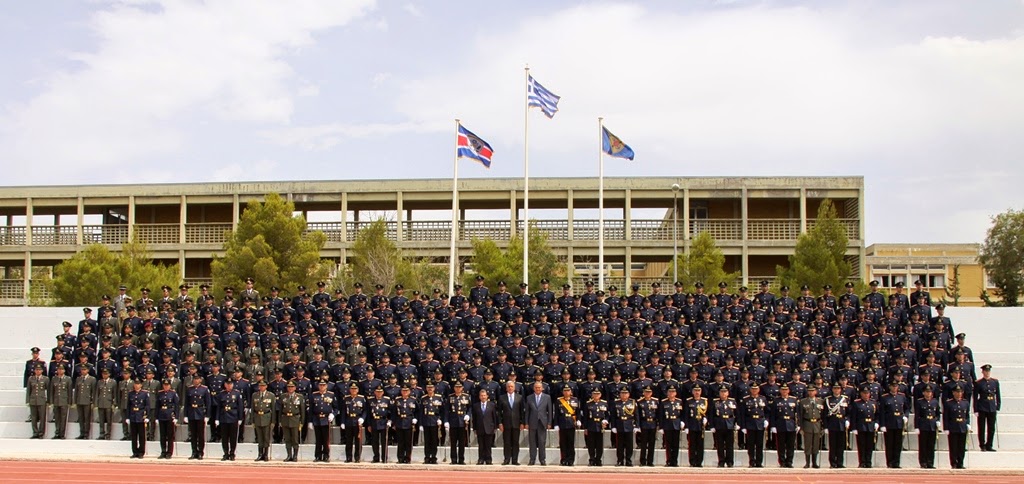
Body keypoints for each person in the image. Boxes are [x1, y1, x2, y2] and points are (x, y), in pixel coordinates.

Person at [880, 381, 910, 468]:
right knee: (889, 444)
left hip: (899, 423)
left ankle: (896, 462)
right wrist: (882, 424)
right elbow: (882, 412)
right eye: (893, 386)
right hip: (889, 423)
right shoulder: (885, 397)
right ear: (890, 387)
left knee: (898, 444)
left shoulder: (902, 396)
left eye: (896, 386)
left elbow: (907, 408)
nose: (894, 388)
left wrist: (906, 416)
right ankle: (889, 462)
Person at [739, 384, 768, 468]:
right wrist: (743, 426)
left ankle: (759, 462)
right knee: (750, 444)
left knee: (759, 444)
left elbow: (767, 411)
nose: (754, 390)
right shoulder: (745, 399)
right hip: (750, 423)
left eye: (756, 389)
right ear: (750, 390)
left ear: (758, 389)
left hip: (760, 423)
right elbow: (742, 414)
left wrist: (766, 420)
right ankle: (752, 461)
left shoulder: (763, 399)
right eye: (753, 389)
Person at [525, 381, 553, 466]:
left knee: (542, 442)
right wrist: (526, 422)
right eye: (536, 387)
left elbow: (550, 411)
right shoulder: (529, 398)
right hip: (532, 422)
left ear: (542, 388)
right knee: (532, 442)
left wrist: (549, 422)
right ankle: (532, 459)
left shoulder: (547, 397)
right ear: (534, 388)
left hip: (542, 422)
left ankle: (542, 459)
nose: (538, 389)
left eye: (539, 387)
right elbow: (527, 412)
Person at [308, 380, 337, 462]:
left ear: (326, 386)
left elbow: (336, 408)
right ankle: (318, 456)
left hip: (326, 419)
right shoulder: (314, 395)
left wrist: (333, 414)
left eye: (323, 385)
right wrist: (310, 421)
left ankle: (326, 455)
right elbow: (311, 409)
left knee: (326, 439)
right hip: (316, 419)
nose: (322, 387)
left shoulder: (331, 395)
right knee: (318, 439)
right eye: (320, 385)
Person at [851, 387, 880, 468]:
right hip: (861, 426)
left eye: (867, 393)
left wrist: (877, 423)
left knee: (870, 445)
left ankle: (868, 462)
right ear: (861, 394)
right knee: (861, 445)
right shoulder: (857, 403)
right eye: (864, 393)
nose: (866, 395)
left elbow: (877, 414)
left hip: (870, 425)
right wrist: (854, 427)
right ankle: (862, 462)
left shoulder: (873, 403)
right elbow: (854, 416)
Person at [184, 374, 211, 460]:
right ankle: (194, 451)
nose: (196, 380)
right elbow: (186, 403)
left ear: (200, 380)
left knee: (200, 434)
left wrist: (207, 415)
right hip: (192, 412)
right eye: (194, 379)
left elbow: (208, 403)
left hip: (200, 412)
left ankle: (200, 452)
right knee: (193, 434)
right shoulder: (189, 389)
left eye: (197, 379)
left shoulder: (204, 389)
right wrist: (185, 415)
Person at [974, 364, 1000, 452]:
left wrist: (998, 406)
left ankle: (989, 444)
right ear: (982, 372)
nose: (987, 373)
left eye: (988, 371)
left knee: (991, 428)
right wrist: (976, 409)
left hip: (992, 406)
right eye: (985, 371)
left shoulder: (995, 382)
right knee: (981, 427)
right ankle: (982, 445)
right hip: (982, 406)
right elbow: (975, 397)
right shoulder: (978, 383)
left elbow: (998, 395)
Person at [824, 383, 851, 468]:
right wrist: (825, 426)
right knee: (832, 445)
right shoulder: (828, 400)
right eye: (835, 388)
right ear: (832, 389)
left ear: (840, 389)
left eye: (838, 388)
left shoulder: (845, 399)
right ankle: (832, 463)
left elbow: (848, 412)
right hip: (832, 424)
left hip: (842, 424)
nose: (836, 390)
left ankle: (840, 462)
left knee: (841, 445)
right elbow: (824, 414)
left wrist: (847, 420)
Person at [771, 384, 798, 468]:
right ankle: (782, 461)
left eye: (786, 390)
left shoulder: (793, 400)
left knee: (790, 445)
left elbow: (797, 413)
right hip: (780, 424)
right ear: (780, 391)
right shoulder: (776, 401)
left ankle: (789, 461)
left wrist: (798, 424)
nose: (784, 391)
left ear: (788, 391)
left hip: (791, 423)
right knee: (781, 445)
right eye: (783, 390)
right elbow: (773, 415)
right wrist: (773, 426)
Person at [797, 385, 824, 468]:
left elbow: (823, 415)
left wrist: (823, 427)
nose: (811, 392)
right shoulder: (803, 402)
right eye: (809, 391)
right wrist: (801, 427)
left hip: (817, 424)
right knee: (808, 444)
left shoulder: (820, 401)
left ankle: (814, 462)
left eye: (813, 391)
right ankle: (807, 463)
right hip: (807, 424)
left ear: (816, 392)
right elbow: (800, 415)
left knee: (816, 444)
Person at [709, 386, 737, 468]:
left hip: (729, 424)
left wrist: (737, 423)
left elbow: (737, 413)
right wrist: (711, 425)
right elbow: (711, 414)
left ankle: (730, 462)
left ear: (728, 393)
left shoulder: (732, 401)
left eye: (725, 392)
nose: (723, 393)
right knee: (720, 445)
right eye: (722, 392)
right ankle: (721, 461)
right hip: (719, 424)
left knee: (730, 445)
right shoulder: (715, 402)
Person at [217, 379, 244, 461]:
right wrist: (217, 418)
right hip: (224, 417)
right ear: (225, 384)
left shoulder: (237, 393)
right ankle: (225, 453)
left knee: (233, 437)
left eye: (230, 384)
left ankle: (232, 453)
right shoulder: (221, 394)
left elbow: (240, 407)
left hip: (233, 417)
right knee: (224, 437)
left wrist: (240, 418)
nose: (229, 385)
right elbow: (218, 407)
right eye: (227, 384)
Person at [497, 380, 524, 465]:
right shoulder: (502, 398)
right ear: (506, 388)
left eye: (512, 386)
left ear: (514, 388)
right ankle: (507, 459)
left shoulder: (519, 397)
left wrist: (522, 422)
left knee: (515, 442)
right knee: (507, 442)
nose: (510, 388)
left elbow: (522, 411)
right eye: (508, 386)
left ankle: (515, 460)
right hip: (506, 423)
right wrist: (500, 423)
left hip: (516, 423)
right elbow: (499, 412)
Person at [278, 381, 305, 462]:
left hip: (295, 419)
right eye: (289, 387)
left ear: (295, 388)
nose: (290, 388)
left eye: (292, 387)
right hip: (285, 418)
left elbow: (302, 410)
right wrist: (280, 421)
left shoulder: (299, 397)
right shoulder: (283, 396)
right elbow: (280, 409)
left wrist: (302, 422)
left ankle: (295, 455)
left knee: (295, 439)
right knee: (287, 438)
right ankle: (289, 455)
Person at [914, 386, 941, 469]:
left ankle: (930, 462)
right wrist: (917, 426)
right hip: (923, 425)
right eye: (926, 392)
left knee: (931, 445)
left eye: (929, 392)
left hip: (932, 425)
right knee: (923, 445)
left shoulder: (935, 402)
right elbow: (917, 415)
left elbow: (937, 413)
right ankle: (923, 462)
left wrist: (938, 420)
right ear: (923, 393)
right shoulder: (919, 402)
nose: (928, 393)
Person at [553, 385, 580, 466]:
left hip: (571, 424)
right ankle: (564, 459)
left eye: (568, 390)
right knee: (563, 443)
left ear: (571, 392)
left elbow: (577, 412)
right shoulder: (559, 401)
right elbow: (556, 414)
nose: (566, 392)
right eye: (565, 391)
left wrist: (578, 420)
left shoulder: (575, 400)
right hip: (562, 424)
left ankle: (571, 460)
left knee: (571, 443)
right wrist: (556, 424)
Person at [945, 386, 971, 469]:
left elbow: (967, 415)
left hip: (962, 426)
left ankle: (960, 462)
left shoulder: (965, 403)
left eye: (960, 392)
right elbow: (946, 417)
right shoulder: (949, 403)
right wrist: (946, 428)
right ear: (953, 393)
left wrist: (967, 423)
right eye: (957, 392)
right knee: (953, 446)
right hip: (953, 426)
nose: (959, 394)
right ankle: (954, 463)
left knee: (961, 447)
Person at [611, 387, 638, 466]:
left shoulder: (632, 402)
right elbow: (613, 416)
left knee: (629, 445)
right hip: (619, 425)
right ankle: (620, 460)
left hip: (629, 424)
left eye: (625, 393)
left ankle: (628, 460)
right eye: (622, 393)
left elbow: (636, 415)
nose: (624, 395)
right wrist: (613, 426)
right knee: (620, 445)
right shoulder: (616, 403)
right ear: (620, 394)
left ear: (629, 394)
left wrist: (637, 425)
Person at [251, 378, 277, 462]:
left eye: (263, 386)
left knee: (266, 437)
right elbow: (252, 408)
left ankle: (265, 454)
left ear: (266, 386)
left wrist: (273, 421)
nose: (261, 387)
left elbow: (273, 408)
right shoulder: (255, 395)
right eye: (260, 386)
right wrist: (252, 420)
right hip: (257, 417)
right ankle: (260, 454)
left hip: (267, 417)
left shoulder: (271, 395)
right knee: (259, 437)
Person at [446, 381, 471, 465]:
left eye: (459, 387)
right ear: (454, 388)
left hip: (462, 422)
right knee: (453, 442)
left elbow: (469, 408)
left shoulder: (466, 397)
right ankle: (453, 459)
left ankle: (461, 459)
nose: (458, 389)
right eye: (456, 387)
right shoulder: (450, 397)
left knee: (462, 442)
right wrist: (446, 421)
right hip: (453, 421)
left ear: (462, 388)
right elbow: (447, 410)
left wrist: (468, 415)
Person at [582, 388, 609, 466]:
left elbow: (607, 415)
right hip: (591, 425)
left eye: (597, 394)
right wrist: (585, 428)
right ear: (592, 395)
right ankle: (592, 459)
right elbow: (586, 417)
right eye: (594, 394)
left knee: (599, 445)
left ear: (600, 395)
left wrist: (606, 421)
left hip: (600, 426)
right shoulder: (588, 404)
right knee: (591, 444)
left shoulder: (604, 403)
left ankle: (598, 459)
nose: (596, 395)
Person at [419, 382, 444, 464]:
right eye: (428, 388)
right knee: (427, 441)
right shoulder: (423, 398)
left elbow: (442, 411)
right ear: (426, 389)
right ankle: (427, 457)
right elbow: (421, 412)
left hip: (434, 421)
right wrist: (421, 424)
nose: (430, 389)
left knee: (434, 440)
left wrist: (440, 419)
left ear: (434, 388)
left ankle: (433, 457)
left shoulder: (438, 398)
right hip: (426, 421)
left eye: (431, 388)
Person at [472, 388, 499, 465]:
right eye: (481, 395)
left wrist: (495, 427)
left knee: (488, 445)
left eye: (484, 395)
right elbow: (474, 418)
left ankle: (488, 459)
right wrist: (474, 428)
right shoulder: (476, 406)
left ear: (487, 396)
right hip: (480, 427)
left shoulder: (492, 405)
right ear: (479, 397)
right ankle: (481, 459)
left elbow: (494, 417)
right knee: (481, 445)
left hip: (489, 427)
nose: (483, 397)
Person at [341, 383, 367, 463]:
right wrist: (342, 422)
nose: (353, 390)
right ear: (350, 390)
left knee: (358, 441)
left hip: (357, 421)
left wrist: (362, 418)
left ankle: (357, 457)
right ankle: (348, 457)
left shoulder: (361, 399)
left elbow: (365, 410)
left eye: (355, 389)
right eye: (352, 389)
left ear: (358, 390)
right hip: (349, 421)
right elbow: (343, 411)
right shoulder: (346, 399)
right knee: (348, 441)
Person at [684, 386, 708, 467]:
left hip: (700, 426)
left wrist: (706, 419)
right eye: (695, 391)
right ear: (693, 392)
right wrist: (686, 426)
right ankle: (692, 461)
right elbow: (686, 415)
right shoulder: (689, 401)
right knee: (692, 445)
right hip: (692, 425)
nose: (697, 392)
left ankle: (699, 462)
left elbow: (708, 413)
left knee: (700, 445)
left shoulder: (704, 401)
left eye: (698, 390)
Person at [660, 386, 684, 467]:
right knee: (668, 444)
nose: (671, 393)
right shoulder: (664, 402)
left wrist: (682, 422)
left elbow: (682, 413)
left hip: (676, 424)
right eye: (670, 392)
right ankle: (669, 461)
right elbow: (661, 415)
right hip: (667, 424)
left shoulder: (679, 401)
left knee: (676, 444)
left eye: (673, 392)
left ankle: (675, 461)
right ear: (667, 393)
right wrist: (661, 426)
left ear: (676, 393)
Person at [155, 379, 180, 459]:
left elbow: (176, 406)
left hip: (170, 415)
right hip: (162, 415)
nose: (166, 386)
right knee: (162, 435)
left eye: (167, 385)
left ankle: (169, 452)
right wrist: (156, 417)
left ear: (170, 385)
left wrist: (176, 417)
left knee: (170, 435)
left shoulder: (173, 394)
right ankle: (163, 451)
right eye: (165, 385)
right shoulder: (160, 393)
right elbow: (157, 406)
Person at [636, 386, 660, 467]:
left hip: (653, 423)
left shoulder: (655, 401)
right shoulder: (640, 402)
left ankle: (650, 461)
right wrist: (638, 425)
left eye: (649, 392)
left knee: (651, 443)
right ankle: (642, 461)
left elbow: (658, 414)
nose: (647, 393)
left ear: (651, 393)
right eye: (646, 392)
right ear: (643, 392)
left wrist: (658, 424)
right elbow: (638, 415)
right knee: (643, 443)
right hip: (644, 423)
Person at [393, 385, 417, 464]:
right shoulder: (397, 400)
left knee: (408, 442)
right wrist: (394, 423)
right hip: (400, 422)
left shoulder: (413, 400)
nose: (405, 392)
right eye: (403, 391)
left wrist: (415, 418)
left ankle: (407, 458)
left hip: (409, 422)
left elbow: (417, 411)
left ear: (409, 392)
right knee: (400, 442)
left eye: (406, 391)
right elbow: (394, 413)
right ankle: (400, 458)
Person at [126, 380, 150, 458]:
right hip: (133, 416)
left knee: (141, 436)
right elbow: (129, 406)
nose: (136, 385)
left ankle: (141, 452)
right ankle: (135, 451)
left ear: (141, 385)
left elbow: (147, 405)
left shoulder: (144, 394)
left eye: (138, 384)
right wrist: (128, 417)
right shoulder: (131, 393)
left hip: (141, 416)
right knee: (134, 436)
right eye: (135, 384)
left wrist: (147, 416)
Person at [368, 386, 392, 463]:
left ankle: (384, 458)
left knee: (384, 441)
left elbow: (391, 411)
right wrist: (369, 424)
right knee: (375, 442)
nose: (379, 393)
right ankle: (376, 457)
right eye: (377, 392)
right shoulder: (370, 400)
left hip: (383, 422)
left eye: (380, 392)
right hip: (374, 422)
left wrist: (390, 421)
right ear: (374, 392)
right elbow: (368, 414)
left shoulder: (387, 400)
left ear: (383, 392)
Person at [73, 365, 97, 440]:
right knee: (81, 418)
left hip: (87, 401)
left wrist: (93, 402)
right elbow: (76, 391)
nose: (83, 371)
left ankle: (86, 433)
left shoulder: (92, 379)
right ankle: (82, 433)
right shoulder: (78, 379)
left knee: (87, 418)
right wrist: (75, 401)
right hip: (79, 401)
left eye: (85, 370)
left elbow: (94, 392)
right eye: (82, 370)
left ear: (88, 370)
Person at [49, 364, 72, 439]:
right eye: (59, 369)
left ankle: (62, 434)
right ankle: (57, 433)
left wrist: (69, 402)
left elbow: (69, 391)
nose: (60, 370)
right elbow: (52, 391)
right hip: (56, 401)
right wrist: (51, 401)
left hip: (64, 401)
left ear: (64, 370)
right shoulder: (54, 379)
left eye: (62, 369)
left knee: (63, 418)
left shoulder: (68, 379)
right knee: (57, 418)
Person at [26, 364, 49, 439]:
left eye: (39, 370)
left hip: (42, 400)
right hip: (33, 400)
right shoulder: (31, 379)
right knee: (34, 417)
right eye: (36, 370)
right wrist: (27, 400)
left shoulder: (45, 379)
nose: (38, 371)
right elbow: (28, 390)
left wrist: (48, 400)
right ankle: (35, 432)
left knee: (42, 417)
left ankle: (41, 433)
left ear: (42, 371)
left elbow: (48, 391)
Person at [94, 368, 117, 440]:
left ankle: (108, 434)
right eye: (103, 374)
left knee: (109, 420)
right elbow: (97, 393)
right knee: (101, 420)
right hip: (101, 403)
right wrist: (96, 403)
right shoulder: (99, 382)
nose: (104, 375)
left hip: (109, 403)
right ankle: (101, 434)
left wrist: (114, 403)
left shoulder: (113, 382)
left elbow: (115, 394)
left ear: (109, 374)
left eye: (106, 374)